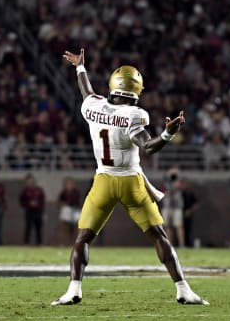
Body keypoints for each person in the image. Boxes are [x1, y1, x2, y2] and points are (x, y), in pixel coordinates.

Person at [52, 48, 207, 306]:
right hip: (130, 182)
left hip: (103, 181)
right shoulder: (134, 115)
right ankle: (182, 289)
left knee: (83, 238)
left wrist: (80, 68)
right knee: (159, 236)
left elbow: (86, 92)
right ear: (136, 91)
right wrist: (168, 134)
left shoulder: (92, 106)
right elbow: (148, 147)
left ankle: (74, 289)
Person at [161, 167, 185, 247]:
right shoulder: (166, 180)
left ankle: (181, 244)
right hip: (167, 206)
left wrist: (178, 177)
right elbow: (165, 190)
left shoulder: (179, 179)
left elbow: (182, 186)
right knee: (167, 226)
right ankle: (170, 245)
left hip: (177, 206)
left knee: (179, 226)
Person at [20, 173, 45, 245]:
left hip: (38, 211)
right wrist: (28, 204)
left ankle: (39, 243)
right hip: (29, 211)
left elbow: (42, 201)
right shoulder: (24, 191)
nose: (30, 182)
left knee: (38, 228)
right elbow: (22, 202)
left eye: (31, 180)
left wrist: (40, 207)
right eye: (28, 181)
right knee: (28, 228)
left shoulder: (39, 190)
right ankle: (26, 243)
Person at [58, 177, 82, 246]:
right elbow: (60, 202)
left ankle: (76, 242)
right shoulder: (63, 192)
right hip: (66, 209)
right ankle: (63, 242)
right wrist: (63, 204)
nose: (69, 185)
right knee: (65, 226)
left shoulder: (76, 192)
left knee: (76, 226)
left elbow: (78, 202)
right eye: (68, 184)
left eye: (71, 183)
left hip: (75, 209)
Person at [180, 178, 200, 248]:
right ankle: (181, 244)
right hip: (179, 214)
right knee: (179, 230)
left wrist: (190, 211)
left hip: (187, 214)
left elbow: (196, 204)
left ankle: (186, 244)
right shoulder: (177, 193)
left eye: (184, 184)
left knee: (187, 230)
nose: (182, 186)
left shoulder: (189, 193)